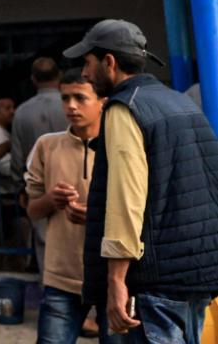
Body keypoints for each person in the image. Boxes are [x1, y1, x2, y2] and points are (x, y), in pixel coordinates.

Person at [67, 20, 218, 343]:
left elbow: (126, 199)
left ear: (110, 62)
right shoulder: (181, 103)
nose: (84, 72)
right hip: (197, 273)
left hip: (153, 282)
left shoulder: (125, 108)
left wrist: (116, 280)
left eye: (88, 62)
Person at [25, 70, 113, 343]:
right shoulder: (47, 146)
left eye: (80, 98)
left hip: (113, 275)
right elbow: (32, 210)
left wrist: (97, 216)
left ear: (103, 102)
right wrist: (51, 199)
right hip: (61, 276)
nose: (71, 106)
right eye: (65, 98)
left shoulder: (119, 147)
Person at [11, 56, 69, 272]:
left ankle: (52, 292)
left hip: (39, 186)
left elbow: (17, 158)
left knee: (45, 242)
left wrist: (20, 186)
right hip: (76, 182)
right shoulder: (74, 105)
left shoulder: (22, 112)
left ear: (34, 80)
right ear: (59, 76)